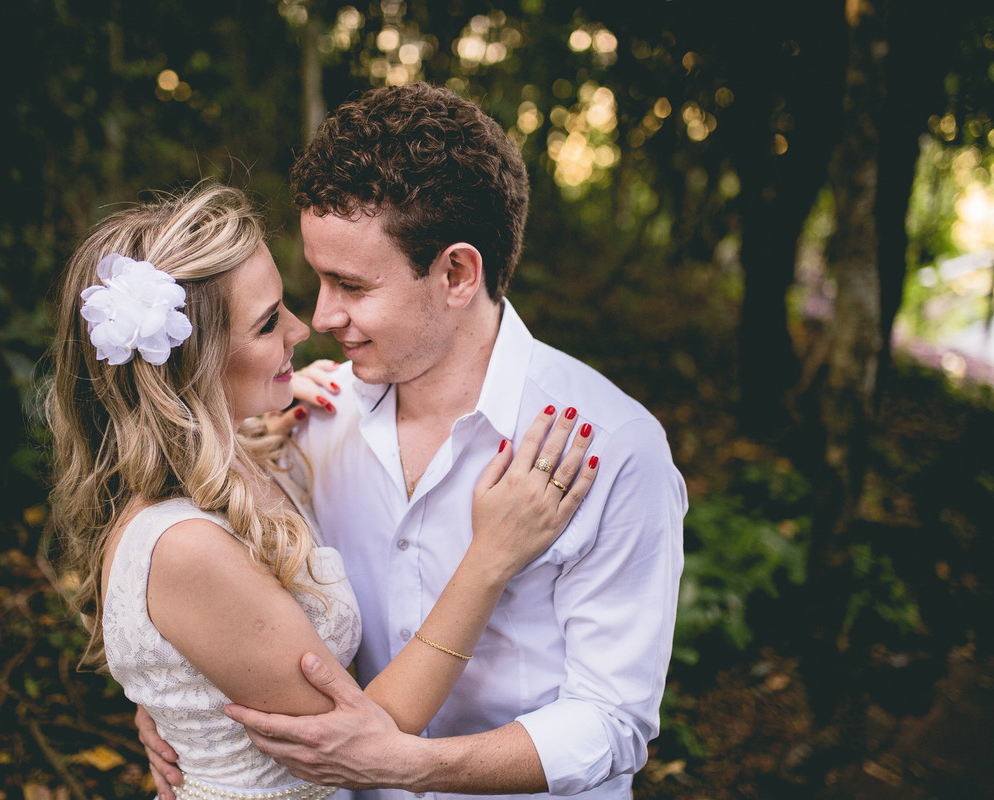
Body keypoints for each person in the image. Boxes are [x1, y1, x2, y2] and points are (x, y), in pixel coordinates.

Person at [138, 84, 687, 800]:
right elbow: (237, 604)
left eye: (351, 285)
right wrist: (181, 705)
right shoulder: (312, 418)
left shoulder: (610, 447)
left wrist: (406, 766)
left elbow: (612, 722)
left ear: (457, 273)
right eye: (317, 279)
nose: (323, 316)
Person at [46, 182, 600, 800]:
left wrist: (259, 423)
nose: (302, 327)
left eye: (284, 304)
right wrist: (490, 559)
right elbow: (357, 738)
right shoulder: (183, 545)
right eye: (265, 324)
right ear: (194, 365)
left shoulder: (254, 459)